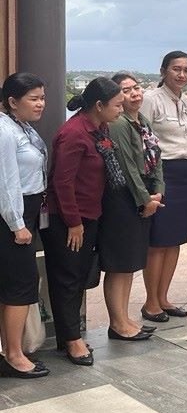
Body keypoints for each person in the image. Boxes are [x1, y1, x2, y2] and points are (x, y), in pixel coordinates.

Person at [43, 77, 124, 366]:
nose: (121, 110)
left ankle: (70, 334)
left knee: (78, 276)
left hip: (90, 214)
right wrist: (74, 222)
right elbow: (61, 183)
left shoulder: (99, 128)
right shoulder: (74, 133)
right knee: (67, 278)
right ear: (99, 105)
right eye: (117, 105)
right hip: (68, 219)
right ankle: (71, 340)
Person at [99, 73, 164, 341]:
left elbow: (156, 157)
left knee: (129, 264)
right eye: (126, 91)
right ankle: (117, 323)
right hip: (124, 199)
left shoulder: (142, 120)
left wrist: (158, 190)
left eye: (136, 87)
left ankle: (124, 319)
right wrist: (145, 200)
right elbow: (127, 167)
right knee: (120, 264)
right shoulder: (118, 124)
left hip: (144, 195)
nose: (134, 93)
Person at [140, 50, 187, 323]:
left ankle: (163, 297)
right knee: (158, 241)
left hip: (186, 174)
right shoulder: (151, 99)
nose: (181, 75)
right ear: (163, 71)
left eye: (186, 70)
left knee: (175, 240)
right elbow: (141, 138)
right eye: (176, 69)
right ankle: (150, 302)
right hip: (162, 173)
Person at [0, 72, 50, 378]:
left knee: (15, 285)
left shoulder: (23, 127)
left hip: (27, 211)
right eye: (34, 99)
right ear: (12, 101)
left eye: (42, 98)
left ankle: (11, 349)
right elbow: (6, 182)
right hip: (12, 217)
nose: (41, 104)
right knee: (20, 286)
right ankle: (15, 356)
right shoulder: (5, 131)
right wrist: (17, 224)